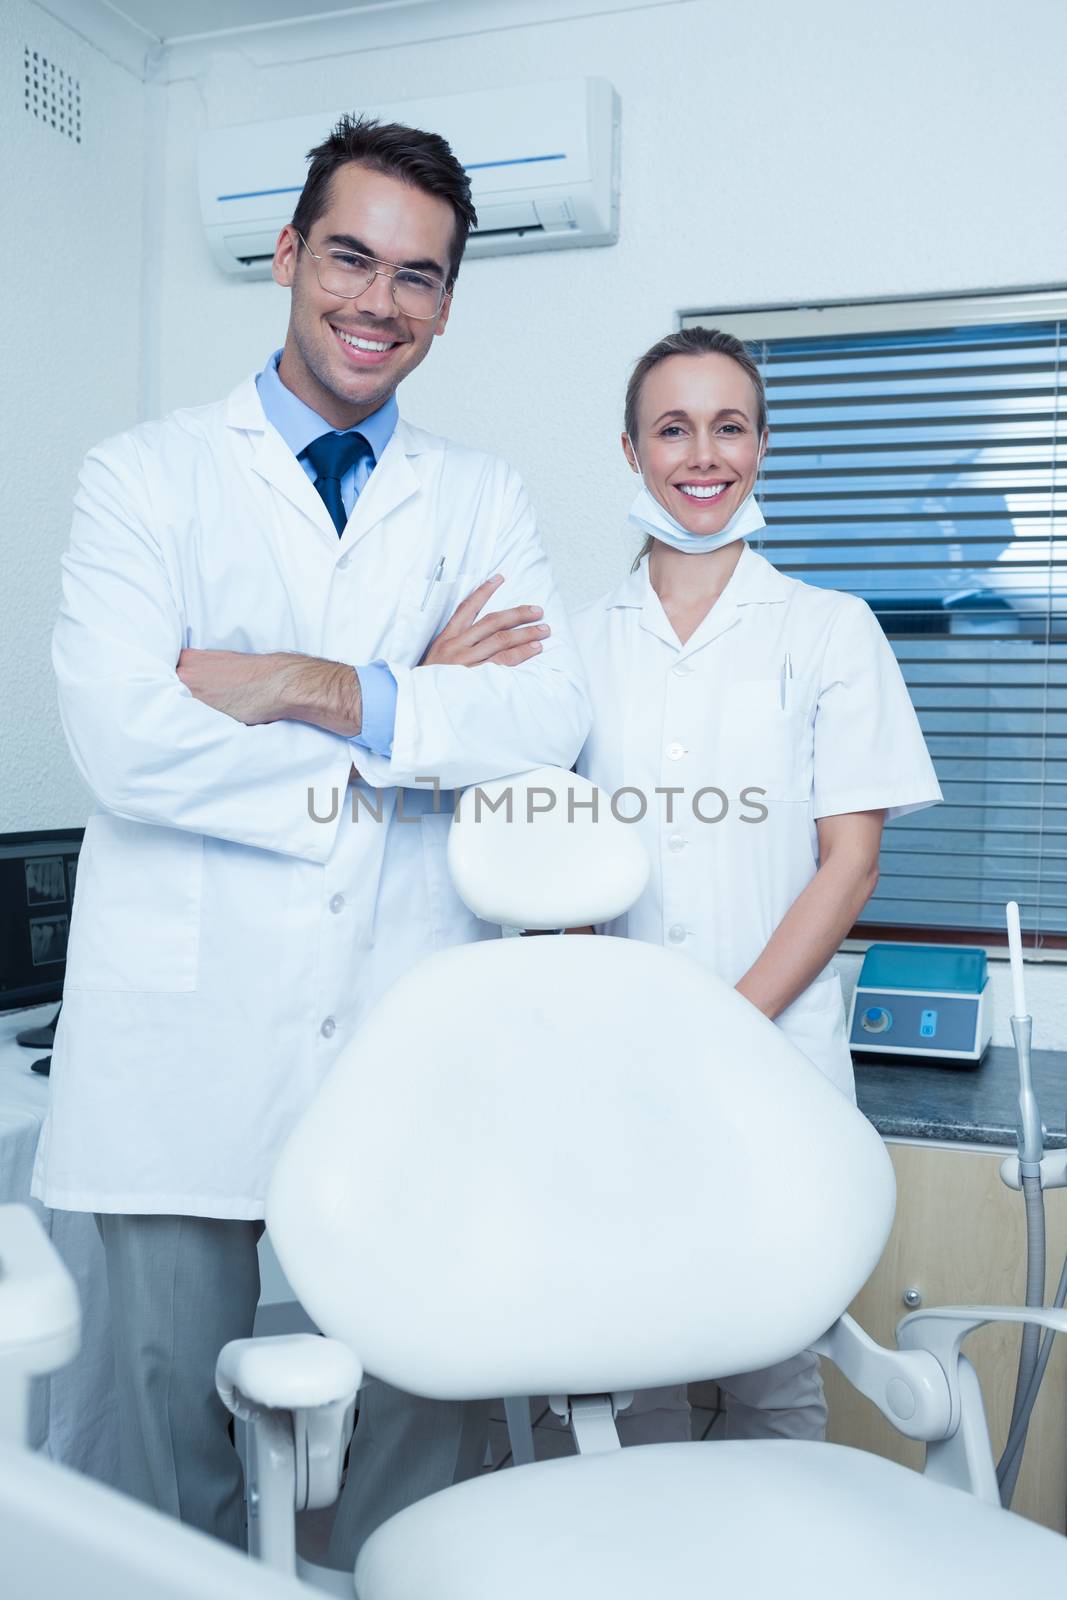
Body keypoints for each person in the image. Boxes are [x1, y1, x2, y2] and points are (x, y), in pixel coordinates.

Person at [32, 115, 590, 1564]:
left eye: (417, 277)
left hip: (402, 1017)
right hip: (182, 1036)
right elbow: (123, 740)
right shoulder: (143, 477)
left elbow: (541, 718)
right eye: (348, 256)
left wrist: (301, 682)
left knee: (414, 1409)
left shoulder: (480, 497)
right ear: (287, 255)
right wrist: (412, 712)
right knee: (163, 1431)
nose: (376, 303)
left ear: (446, 303)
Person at [569, 325, 941, 1446]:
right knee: (625, 1377)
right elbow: (570, 861)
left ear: (763, 444)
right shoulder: (578, 643)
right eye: (670, 427)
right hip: (623, 1069)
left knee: (773, 1378)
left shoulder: (829, 629)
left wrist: (721, 1034)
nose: (701, 453)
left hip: (776, 1069)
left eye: (727, 425)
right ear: (628, 451)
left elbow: (850, 860)